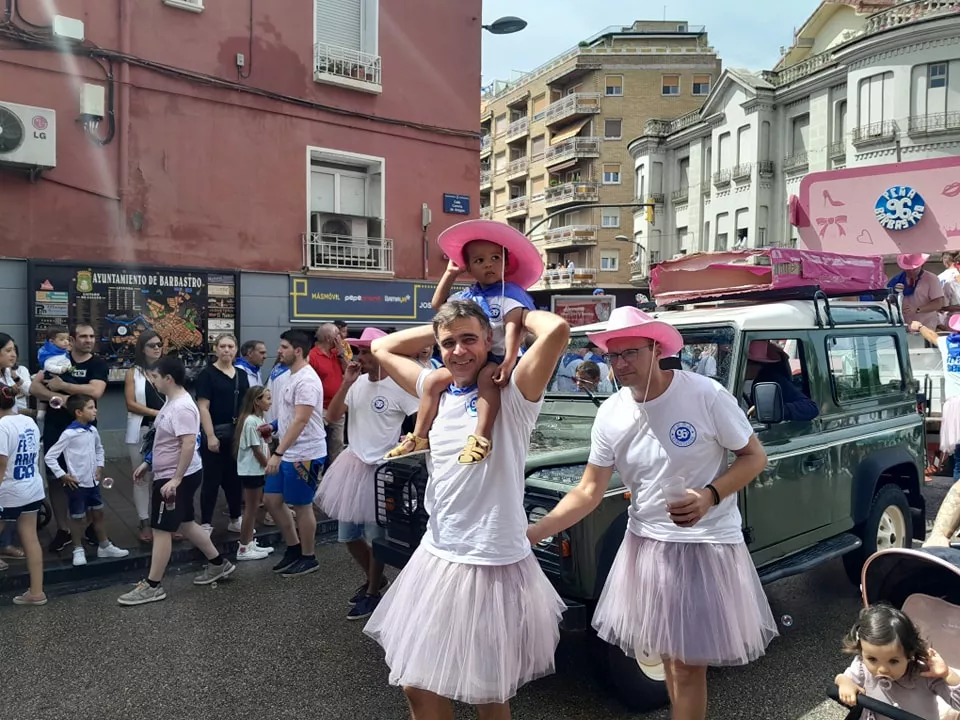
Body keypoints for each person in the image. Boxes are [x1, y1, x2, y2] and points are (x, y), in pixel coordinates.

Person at [526, 306, 777, 720]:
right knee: (667, 656)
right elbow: (589, 490)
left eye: (630, 353)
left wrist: (709, 496)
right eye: (613, 355)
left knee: (687, 663)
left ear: (656, 348)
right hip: (646, 547)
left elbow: (753, 457)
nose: (620, 365)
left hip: (705, 546)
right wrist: (534, 533)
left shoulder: (705, 394)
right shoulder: (611, 414)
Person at [364, 300, 570, 719]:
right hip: (437, 555)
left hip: (489, 561)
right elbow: (384, 348)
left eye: (469, 340)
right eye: (448, 343)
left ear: (489, 340)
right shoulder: (436, 391)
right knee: (417, 685)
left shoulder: (513, 393)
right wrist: (452, 328)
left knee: (488, 695)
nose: (458, 351)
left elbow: (557, 330)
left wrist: (506, 315)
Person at [385, 220, 541, 465]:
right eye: (478, 261)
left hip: (499, 358)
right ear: (468, 267)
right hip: (475, 357)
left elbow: (514, 327)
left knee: (486, 379)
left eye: (494, 258)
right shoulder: (469, 296)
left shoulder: (511, 293)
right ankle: (419, 436)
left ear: (506, 262)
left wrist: (509, 361)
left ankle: (481, 437)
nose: (488, 264)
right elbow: (438, 306)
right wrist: (449, 274)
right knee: (435, 379)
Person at [316, 327, 419, 621]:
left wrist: (410, 440)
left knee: (378, 538)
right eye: (360, 351)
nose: (361, 357)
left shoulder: (400, 387)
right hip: (353, 464)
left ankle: (373, 592)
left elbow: (423, 417)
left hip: (382, 470)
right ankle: (376, 580)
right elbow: (333, 417)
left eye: (367, 351)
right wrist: (346, 384)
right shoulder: (357, 383)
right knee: (348, 535)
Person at [118, 355, 236, 605]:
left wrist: (176, 479)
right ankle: (218, 564)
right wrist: (147, 463)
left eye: (156, 377)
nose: (154, 381)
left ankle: (153, 585)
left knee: (161, 530)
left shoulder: (182, 407)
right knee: (186, 523)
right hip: (170, 474)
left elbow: (188, 443)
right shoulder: (171, 403)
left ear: (168, 379)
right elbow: (165, 441)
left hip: (173, 477)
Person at [30, 323, 109, 553]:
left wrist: (64, 386)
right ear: (72, 340)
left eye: (92, 336)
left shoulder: (97, 364)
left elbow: (95, 392)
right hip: (56, 428)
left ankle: (92, 528)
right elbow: (35, 388)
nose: (88, 340)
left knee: (88, 478)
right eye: (83, 336)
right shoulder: (56, 360)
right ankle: (63, 529)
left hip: (85, 432)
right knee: (56, 479)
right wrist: (60, 398)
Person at [264, 329, 327, 578]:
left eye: (283, 347)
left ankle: (309, 556)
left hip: (305, 452)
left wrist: (277, 452)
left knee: (302, 505)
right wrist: (274, 426)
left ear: (297, 350)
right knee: (271, 500)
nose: (278, 351)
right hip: (288, 451)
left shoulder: (307, 380)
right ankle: (293, 547)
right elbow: (290, 416)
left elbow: (301, 420)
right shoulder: (291, 375)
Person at [43, 395, 129, 566]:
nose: (95, 410)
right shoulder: (68, 434)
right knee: (77, 518)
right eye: (90, 408)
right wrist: (62, 475)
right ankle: (78, 549)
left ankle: (104, 545)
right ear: (78, 412)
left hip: (93, 482)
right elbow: (50, 456)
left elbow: (99, 449)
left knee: (98, 513)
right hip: (77, 483)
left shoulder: (93, 430)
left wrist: (99, 467)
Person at [834, 604, 960, 717]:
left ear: (909, 654)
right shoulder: (862, 667)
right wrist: (844, 682)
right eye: (872, 659)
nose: (882, 669)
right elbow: (843, 678)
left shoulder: (924, 674)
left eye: (893, 661)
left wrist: (948, 674)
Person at [195, 334, 249, 533]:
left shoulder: (241, 375)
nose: (227, 350)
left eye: (230, 346)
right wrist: (210, 435)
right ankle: (206, 523)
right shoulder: (207, 375)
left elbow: (246, 406)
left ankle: (236, 518)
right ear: (216, 349)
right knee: (211, 479)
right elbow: (203, 407)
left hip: (236, 433)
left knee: (235, 478)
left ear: (236, 350)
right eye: (223, 346)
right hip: (216, 430)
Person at [0, 385, 46, 605]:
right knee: (30, 539)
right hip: (32, 487)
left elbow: (1, 465)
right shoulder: (28, 422)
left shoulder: (1, 426)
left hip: (8, 491)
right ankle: (37, 592)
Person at [124, 330, 165, 543]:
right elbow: (130, 404)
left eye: (159, 344)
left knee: (164, 475)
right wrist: (157, 413)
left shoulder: (167, 370)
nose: (157, 348)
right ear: (142, 348)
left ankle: (164, 519)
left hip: (166, 431)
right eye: (152, 345)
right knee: (141, 477)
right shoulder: (134, 373)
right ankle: (144, 520)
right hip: (142, 430)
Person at [233, 385, 275, 561]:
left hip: (255, 469)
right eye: (266, 398)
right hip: (252, 470)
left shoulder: (258, 419)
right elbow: (256, 450)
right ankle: (243, 547)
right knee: (251, 509)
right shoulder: (250, 421)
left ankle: (249, 542)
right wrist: (268, 466)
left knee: (253, 507)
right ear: (257, 401)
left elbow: (265, 444)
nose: (270, 401)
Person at [742, 341, 819, 422]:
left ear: (762, 365)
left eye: (750, 363)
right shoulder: (728, 381)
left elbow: (810, 407)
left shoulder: (772, 380)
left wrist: (774, 409)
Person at [309, 323, 346, 466]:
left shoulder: (337, 354)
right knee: (318, 444)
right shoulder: (312, 356)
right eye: (338, 334)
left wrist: (341, 353)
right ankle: (318, 479)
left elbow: (350, 372)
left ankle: (335, 478)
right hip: (320, 409)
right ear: (329, 338)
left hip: (338, 408)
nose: (342, 337)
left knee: (337, 445)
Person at [889, 253, 944, 335]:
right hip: (903, 327)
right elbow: (889, 300)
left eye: (914, 269)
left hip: (926, 327)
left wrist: (917, 309)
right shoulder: (897, 280)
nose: (911, 271)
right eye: (907, 269)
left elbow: (938, 303)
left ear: (922, 265)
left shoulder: (931, 279)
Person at [35, 326, 71, 423]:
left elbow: (66, 360)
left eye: (67, 339)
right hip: (50, 375)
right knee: (46, 392)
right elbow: (48, 366)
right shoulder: (48, 353)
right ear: (51, 341)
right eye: (62, 339)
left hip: (62, 375)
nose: (66, 342)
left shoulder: (63, 352)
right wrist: (60, 369)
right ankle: (41, 411)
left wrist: (68, 367)